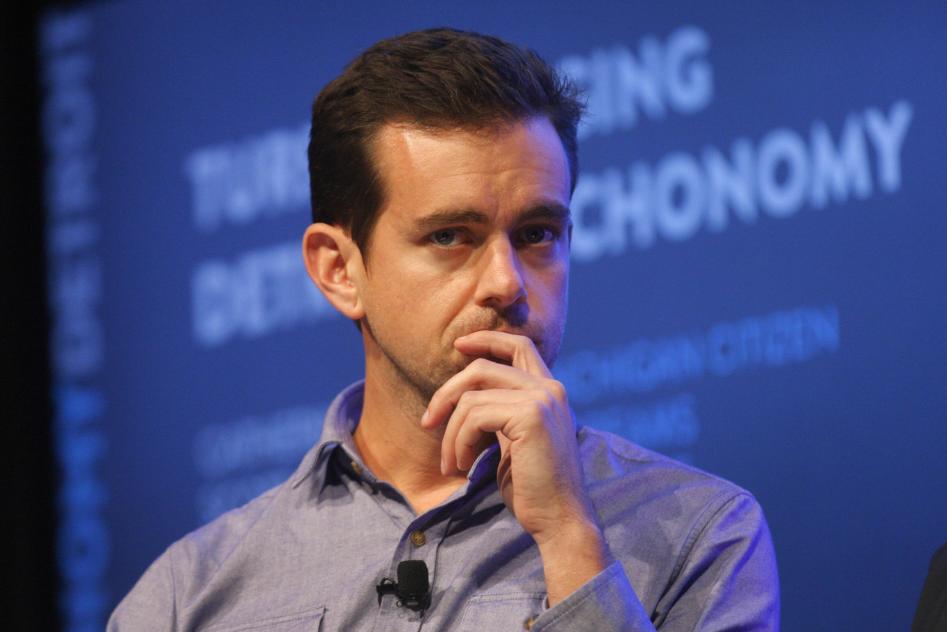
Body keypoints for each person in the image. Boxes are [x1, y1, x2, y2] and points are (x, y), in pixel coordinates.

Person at [109, 28, 779, 631]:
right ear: (339, 269)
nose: (506, 282)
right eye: (450, 236)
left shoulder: (701, 535)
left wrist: (571, 542)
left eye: (537, 234)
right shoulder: (184, 598)